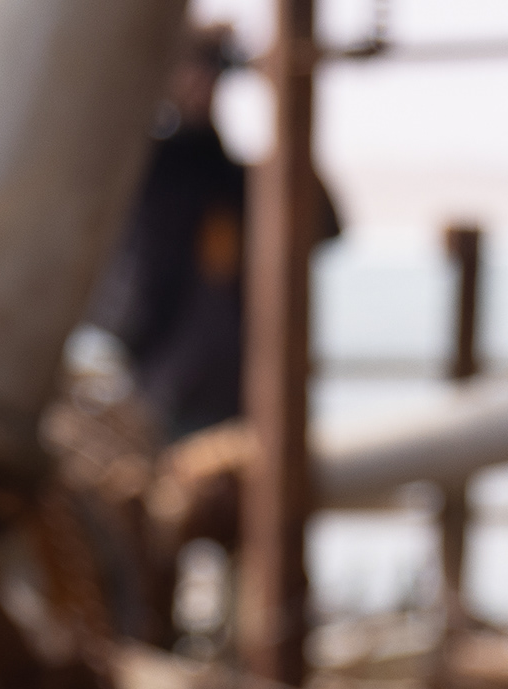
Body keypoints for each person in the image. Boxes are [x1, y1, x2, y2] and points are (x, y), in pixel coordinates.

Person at [87, 21, 339, 437]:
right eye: (186, 68)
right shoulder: (140, 178)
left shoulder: (236, 180)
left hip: (246, 396)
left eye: (209, 70)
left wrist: (286, 102)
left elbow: (323, 225)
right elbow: (120, 296)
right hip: (164, 395)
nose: (198, 83)